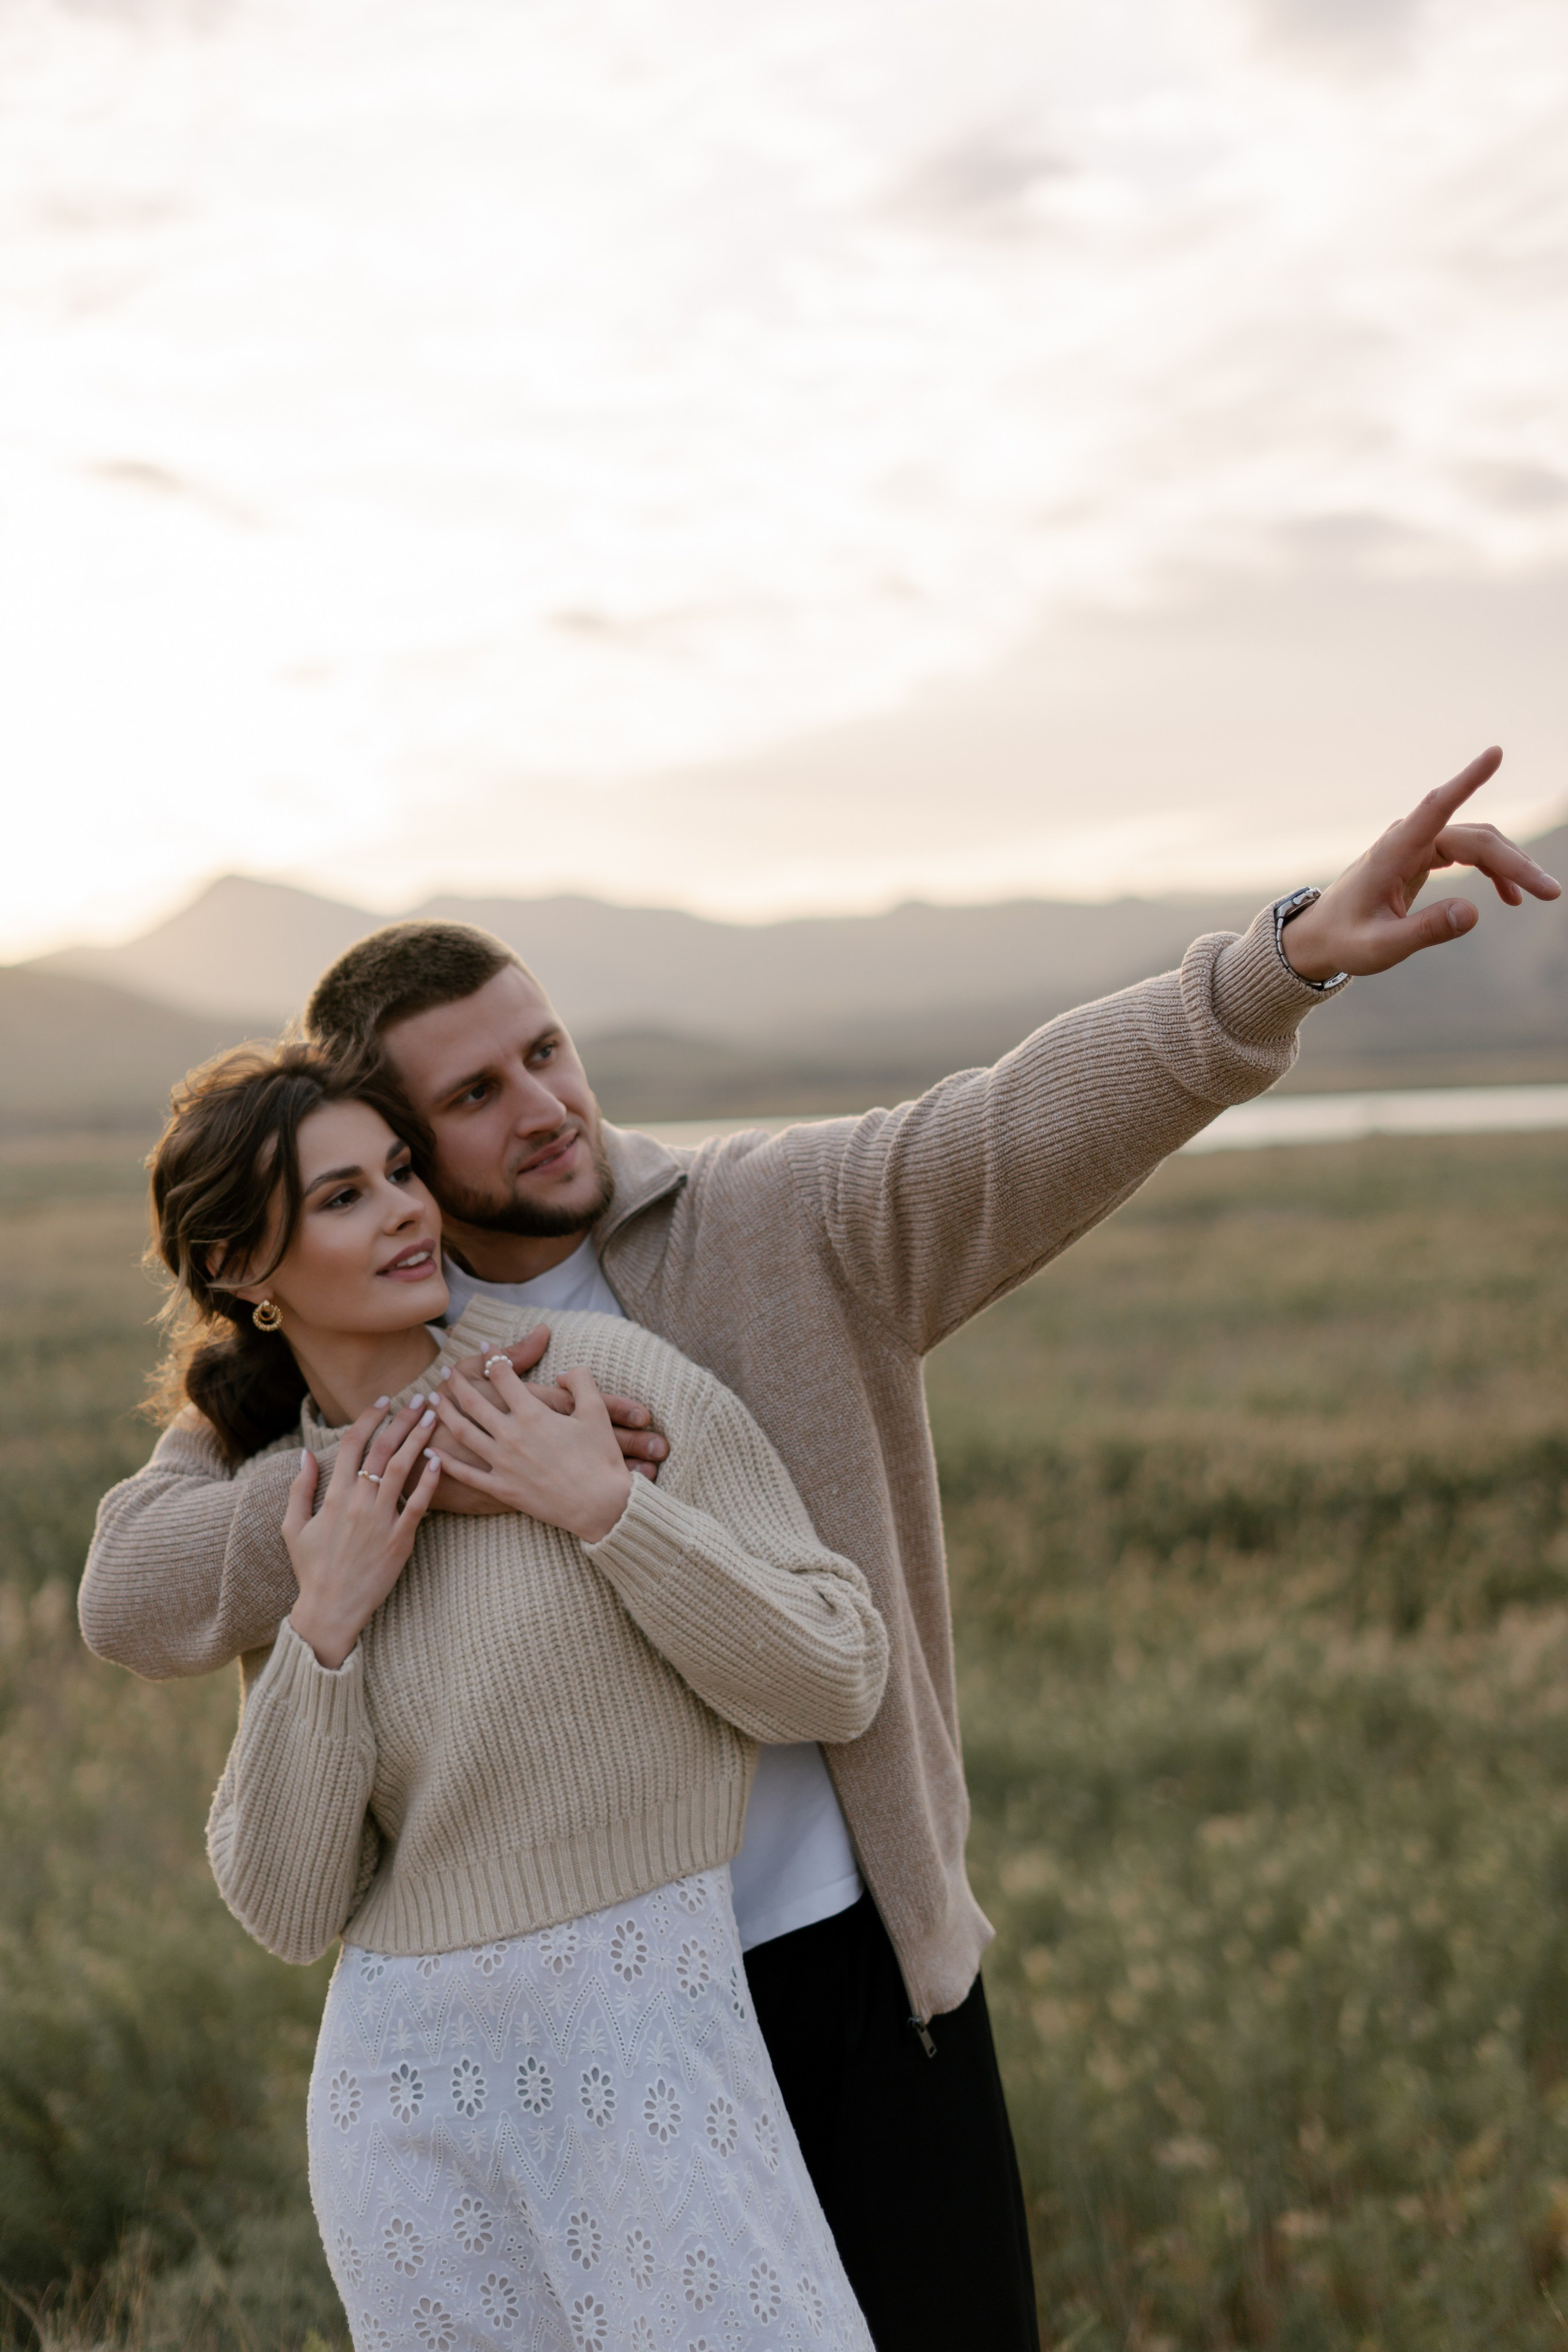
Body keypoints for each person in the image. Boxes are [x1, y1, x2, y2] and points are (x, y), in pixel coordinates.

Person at [81, 747, 1561, 2352]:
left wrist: (1278, 963)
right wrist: (430, 1474)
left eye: (546, 1050)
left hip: (843, 1981)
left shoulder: (774, 1223)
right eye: (474, 1096)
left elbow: (1009, 1129)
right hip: (572, 2042)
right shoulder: (301, 1401)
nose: (547, 1106)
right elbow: (138, 1595)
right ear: (393, 1153)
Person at [149, 1042, 889, 2350]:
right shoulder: (303, 1510)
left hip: (655, 2053)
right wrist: (324, 1622)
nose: (404, 1211)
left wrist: (604, 1508)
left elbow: (836, 1673)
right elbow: (286, 1905)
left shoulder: (593, 1381)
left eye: (397, 1172)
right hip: (404, 2113)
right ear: (236, 1270)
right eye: (341, 1198)